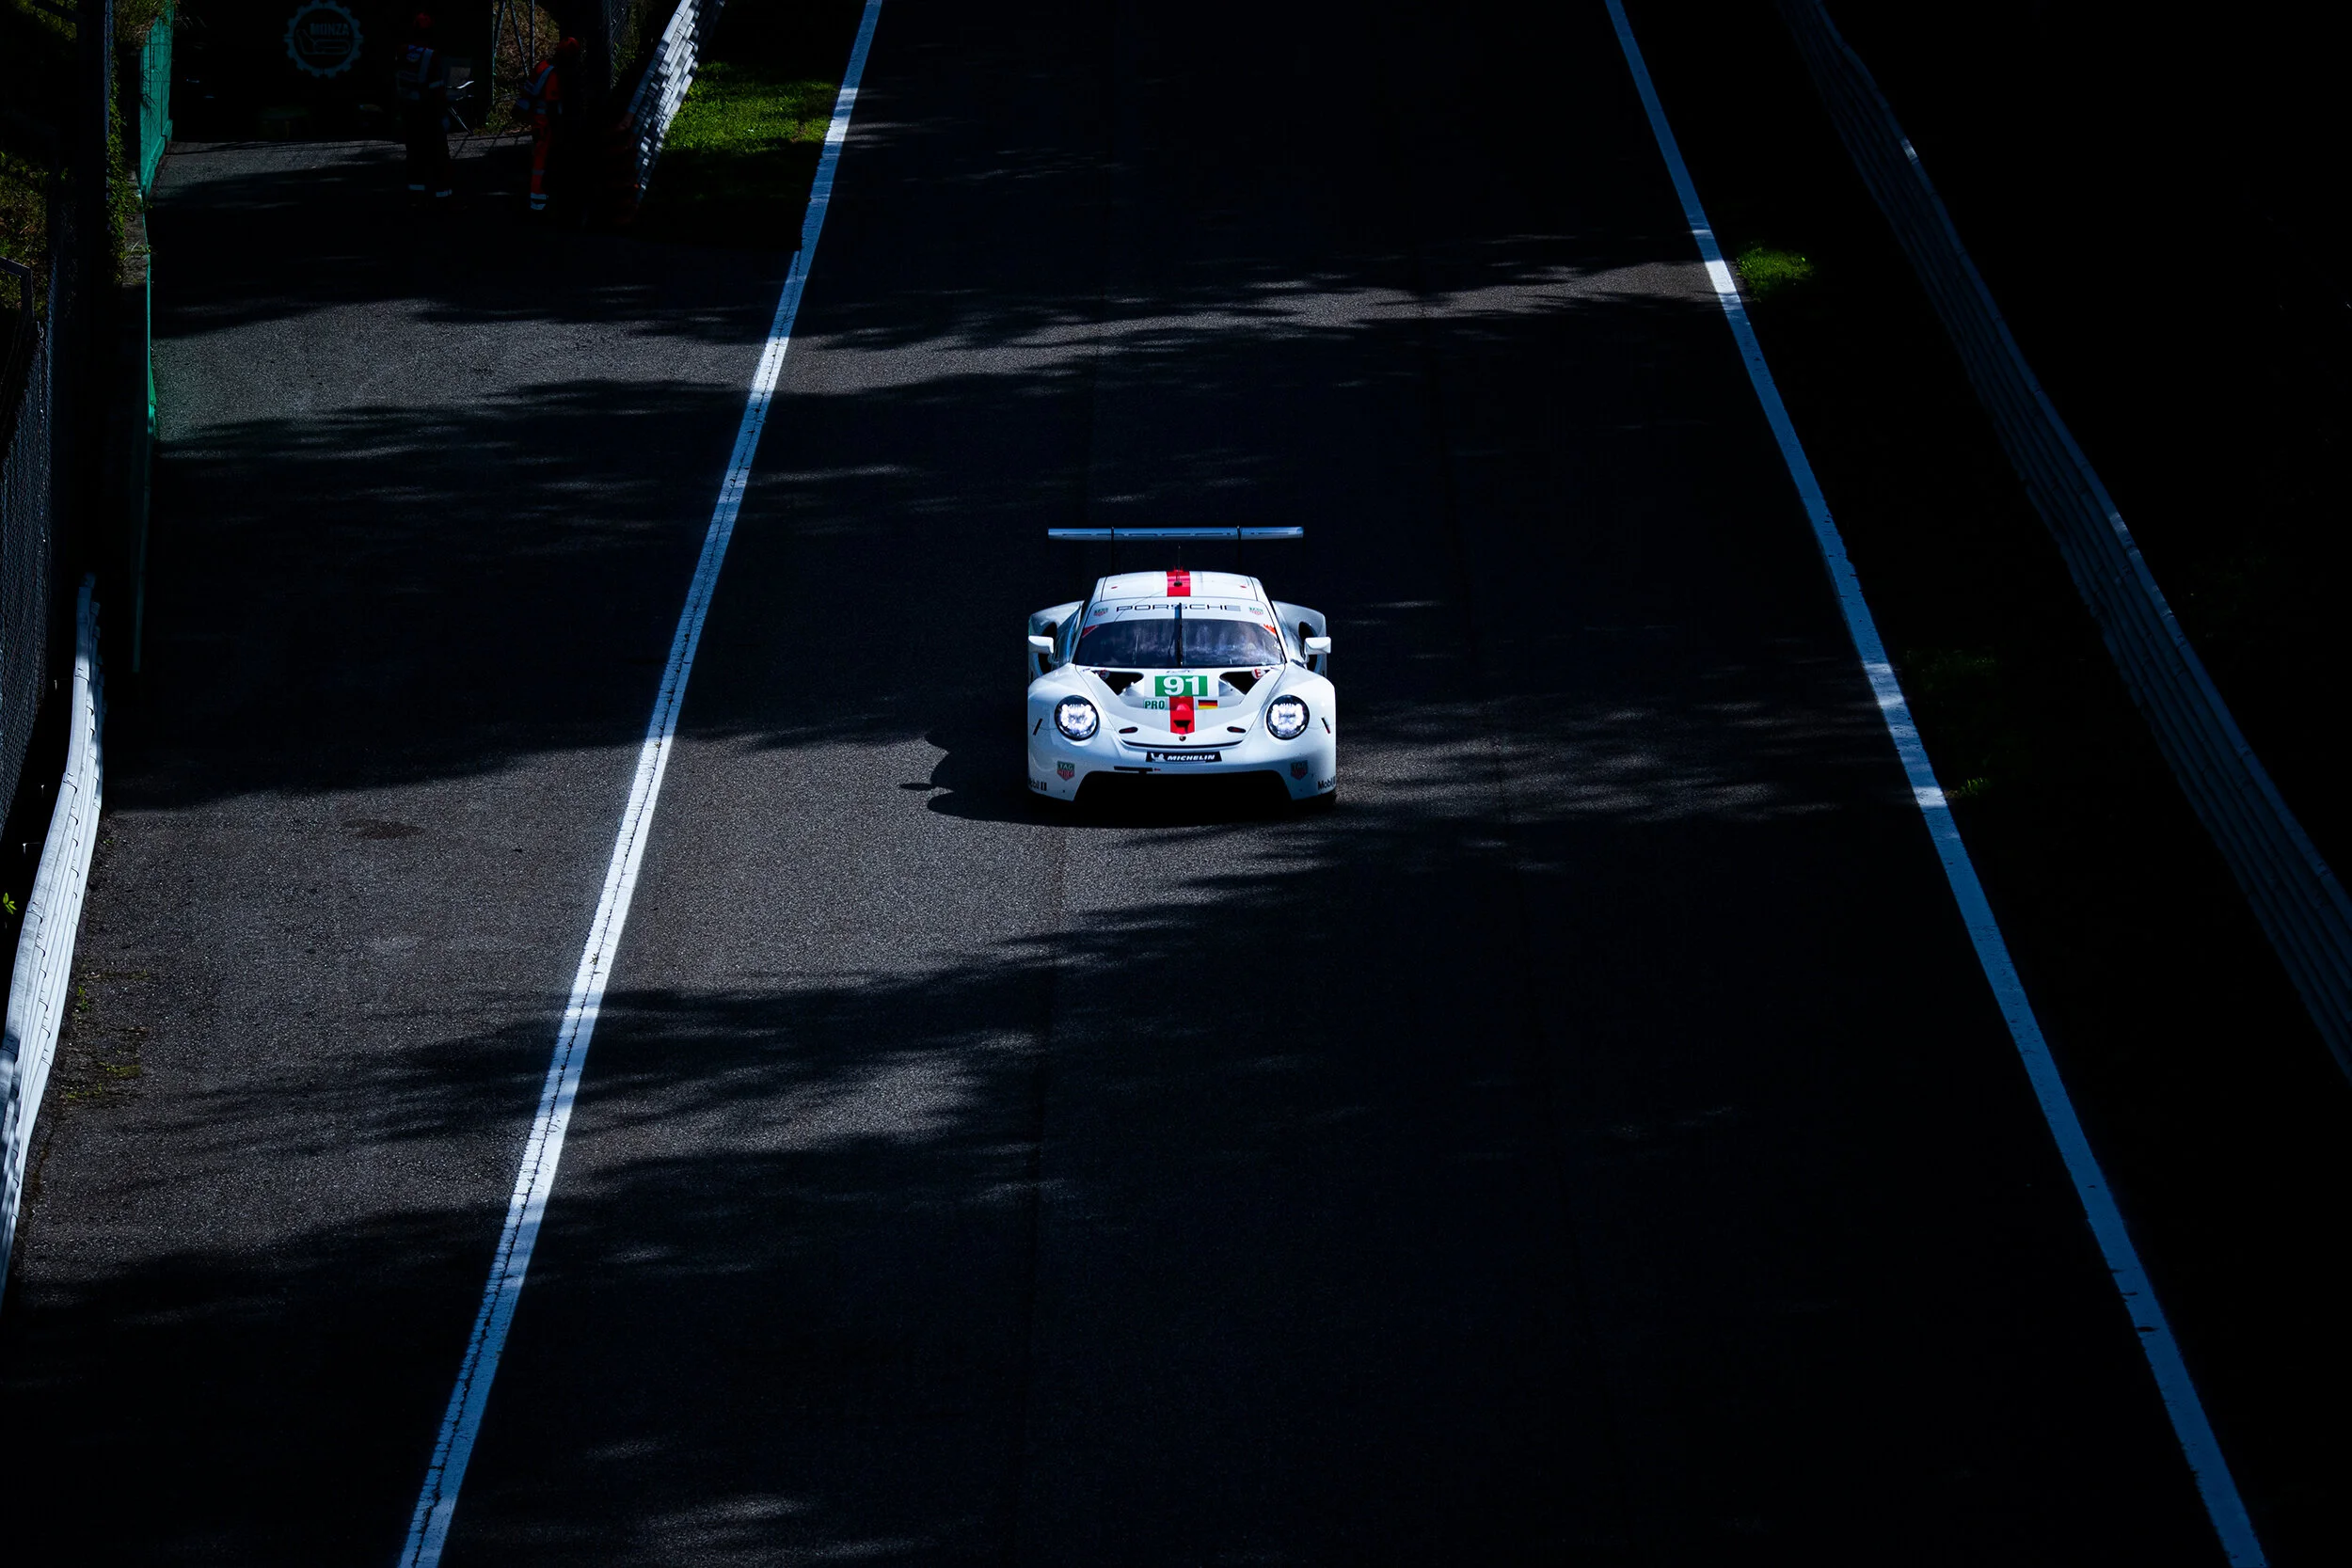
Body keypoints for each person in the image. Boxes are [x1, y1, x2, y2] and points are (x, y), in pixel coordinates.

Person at [516, 37, 583, 215]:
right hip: (546, 125)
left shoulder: (542, 67)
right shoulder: (555, 74)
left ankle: (539, 201)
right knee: (543, 163)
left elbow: (527, 94)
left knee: (540, 161)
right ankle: (539, 203)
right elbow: (553, 105)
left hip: (538, 122)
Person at [395, 13, 453, 200]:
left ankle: (416, 199)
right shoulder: (432, 56)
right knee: (439, 156)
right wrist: (443, 116)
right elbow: (436, 89)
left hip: (409, 111)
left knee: (414, 155)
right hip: (429, 113)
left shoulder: (402, 51)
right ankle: (444, 198)